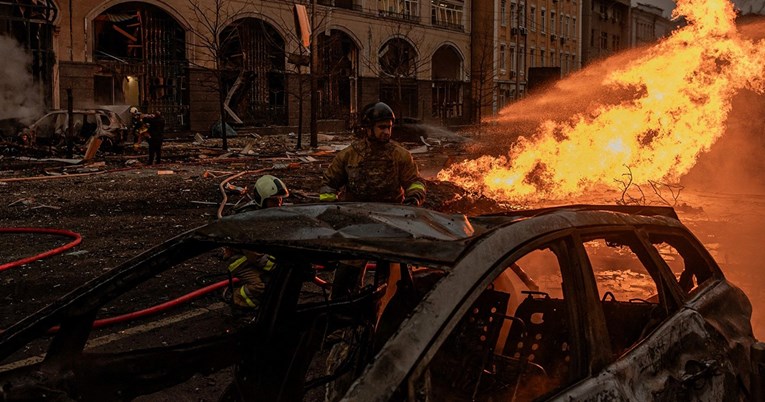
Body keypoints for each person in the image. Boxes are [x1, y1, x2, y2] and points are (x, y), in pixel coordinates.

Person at [320, 102, 427, 206]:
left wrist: (415, 197)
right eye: (382, 127)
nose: (387, 132)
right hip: (356, 216)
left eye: (389, 127)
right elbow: (329, 185)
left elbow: (415, 182)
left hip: (392, 216)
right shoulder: (348, 155)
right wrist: (331, 207)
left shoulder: (400, 155)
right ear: (368, 128)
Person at [223, 175, 289, 310]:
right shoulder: (249, 221)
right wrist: (279, 267)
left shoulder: (268, 214)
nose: (279, 204)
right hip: (239, 259)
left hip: (257, 256)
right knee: (261, 286)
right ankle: (238, 301)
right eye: (274, 201)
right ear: (262, 200)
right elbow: (255, 255)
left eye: (280, 199)